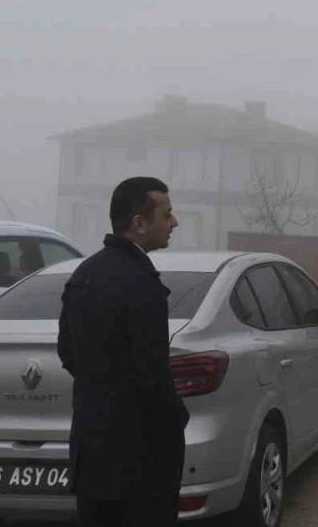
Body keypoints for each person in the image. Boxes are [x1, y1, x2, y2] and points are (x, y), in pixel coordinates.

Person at [58, 176, 186, 527]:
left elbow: (68, 352)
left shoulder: (84, 274)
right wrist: (176, 420)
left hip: (92, 454)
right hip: (140, 464)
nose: (174, 222)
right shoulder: (140, 284)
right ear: (139, 223)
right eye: (167, 214)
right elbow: (153, 375)